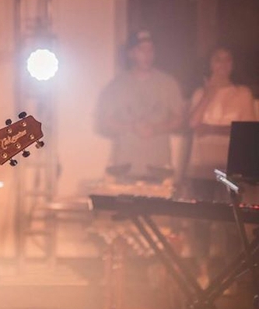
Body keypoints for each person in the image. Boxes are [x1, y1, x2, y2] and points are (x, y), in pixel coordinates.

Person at [185, 47, 256, 287]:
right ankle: (202, 271)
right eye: (217, 59)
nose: (223, 64)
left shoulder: (242, 93)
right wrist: (208, 93)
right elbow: (193, 123)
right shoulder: (200, 93)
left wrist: (212, 129)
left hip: (230, 168)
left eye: (228, 59)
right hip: (202, 167)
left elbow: (245, 127)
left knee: (231, 222)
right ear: (210, 64)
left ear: (233, 64)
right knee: (201, 220)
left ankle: (230, 277)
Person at [95, 30, 185, 183]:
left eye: (150, 49)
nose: (147, 54)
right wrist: (131, 127)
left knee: (159, 207)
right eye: (141, 50)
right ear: (131, 54)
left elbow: (179, 119)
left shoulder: (168, 83)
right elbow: (104, 122)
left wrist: (156, 128)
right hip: (125, 167)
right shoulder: (117, 85)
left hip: (159, 167)